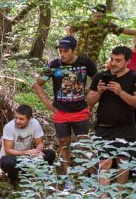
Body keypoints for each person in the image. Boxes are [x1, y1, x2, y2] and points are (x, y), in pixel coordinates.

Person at [32, 36, 97, 186]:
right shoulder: (54, 64)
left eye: (66, 51)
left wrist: (91, 98)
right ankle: (67, 177)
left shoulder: (85, 63)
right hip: (61, 111)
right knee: (63, 142)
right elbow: (37, 84)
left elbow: (98, 80)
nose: (62, 54)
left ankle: (89, 176)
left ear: (74, 50)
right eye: (60, 51)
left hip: (80, 110)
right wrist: (47, 101)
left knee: (84, 142)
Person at [86, 46, 136, 189]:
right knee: (104, 162)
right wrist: (99, 92)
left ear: (128, 61)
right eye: (112, 59)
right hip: (104, 127)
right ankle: (104, 197)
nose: (113, 63)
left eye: (118, 60)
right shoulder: (101, 76)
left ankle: (118, 196)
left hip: (126, 127)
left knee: (123, 161)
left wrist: (120, 92)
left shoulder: (135, 77)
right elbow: (89, 101)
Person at [0, 105, 56, 185]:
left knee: (50, 154)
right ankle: (14, 180)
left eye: (21, 119)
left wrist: (37, 152)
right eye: (16, 117)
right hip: (9, 158)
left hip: (26, 158)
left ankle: (40, 176)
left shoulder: (35, 123)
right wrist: (27, 152)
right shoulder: (9, 127)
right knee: (9, 161)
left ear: (29, 119)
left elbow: (39, 143)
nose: (17, 121)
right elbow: (8, 151)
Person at [65, 4, 136, 62]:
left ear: (103, 15)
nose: (96, 15)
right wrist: (71, 42)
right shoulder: (85, 23)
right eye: (94, 13)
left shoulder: (107, 26)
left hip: (92, 59)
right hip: (78, 57)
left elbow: (124, 31)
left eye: (99, 14)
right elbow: (69, 29)